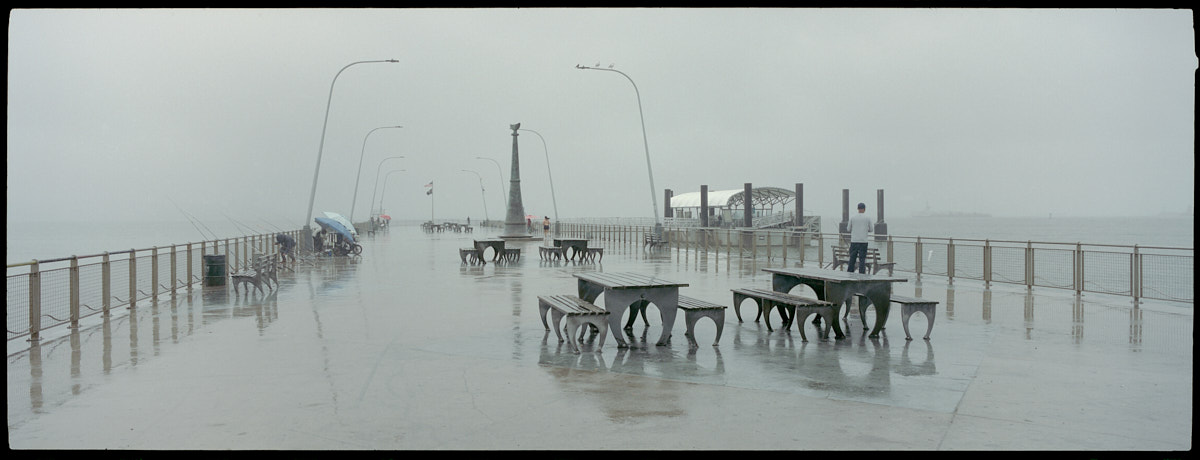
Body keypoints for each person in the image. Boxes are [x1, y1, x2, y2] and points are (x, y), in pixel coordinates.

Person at [847, 202, 873, 274]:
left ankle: (849, 273)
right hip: (863, 241)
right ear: (864, 209)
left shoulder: (852, 217)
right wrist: (865, 230)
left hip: (854, 241)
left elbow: (848, 229)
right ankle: (862, 274)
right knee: (862, 259)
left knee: (852, 258)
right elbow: (871, 229)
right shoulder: (868, 218)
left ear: (858, 209)